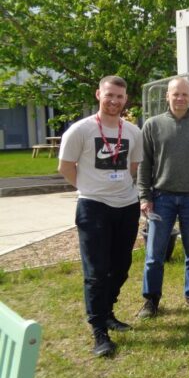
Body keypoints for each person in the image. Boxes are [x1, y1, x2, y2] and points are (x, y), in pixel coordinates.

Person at [58, 75, 143, 356]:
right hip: (93, 206)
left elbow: (132, 166)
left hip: (127, 206)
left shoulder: (132, 131)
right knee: (96, 272)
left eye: (119, 97)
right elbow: (66, 166)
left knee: (120, 266)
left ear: (125, 99)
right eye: (109, 95)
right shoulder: (80, 130)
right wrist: (90, 188)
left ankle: (106, 311)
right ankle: (99, 332)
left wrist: (116, 188)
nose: (114, 101)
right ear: (98, 95)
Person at [137, 77, 189, 318]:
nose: (180, 98)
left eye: (185, 94)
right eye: (176, 94)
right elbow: (144, 164)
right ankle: (151, 300)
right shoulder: (152, 125)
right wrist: (144, 196)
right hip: (160, 198)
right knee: (155, 253)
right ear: (167, 96)